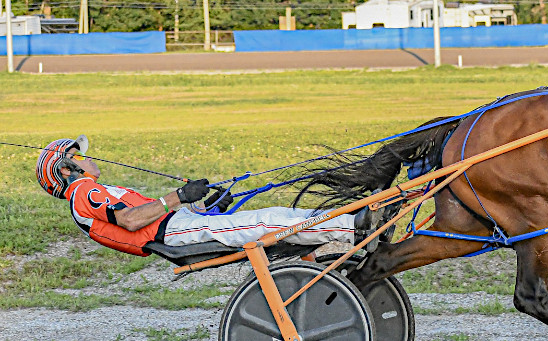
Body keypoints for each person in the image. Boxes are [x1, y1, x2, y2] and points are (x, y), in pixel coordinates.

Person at [35, 136, 376, 258]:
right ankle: (352, 228)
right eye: (79, 156)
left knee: (271, 213)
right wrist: (179, 195)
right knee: (267, 221)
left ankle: (349, 225)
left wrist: (207, 207)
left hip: (176, 225)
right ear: (67, 170)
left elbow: (144, 214)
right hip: (167, 233)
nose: (89, 158)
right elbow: (129, 220)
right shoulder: (83, 192)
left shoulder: (91, 191)